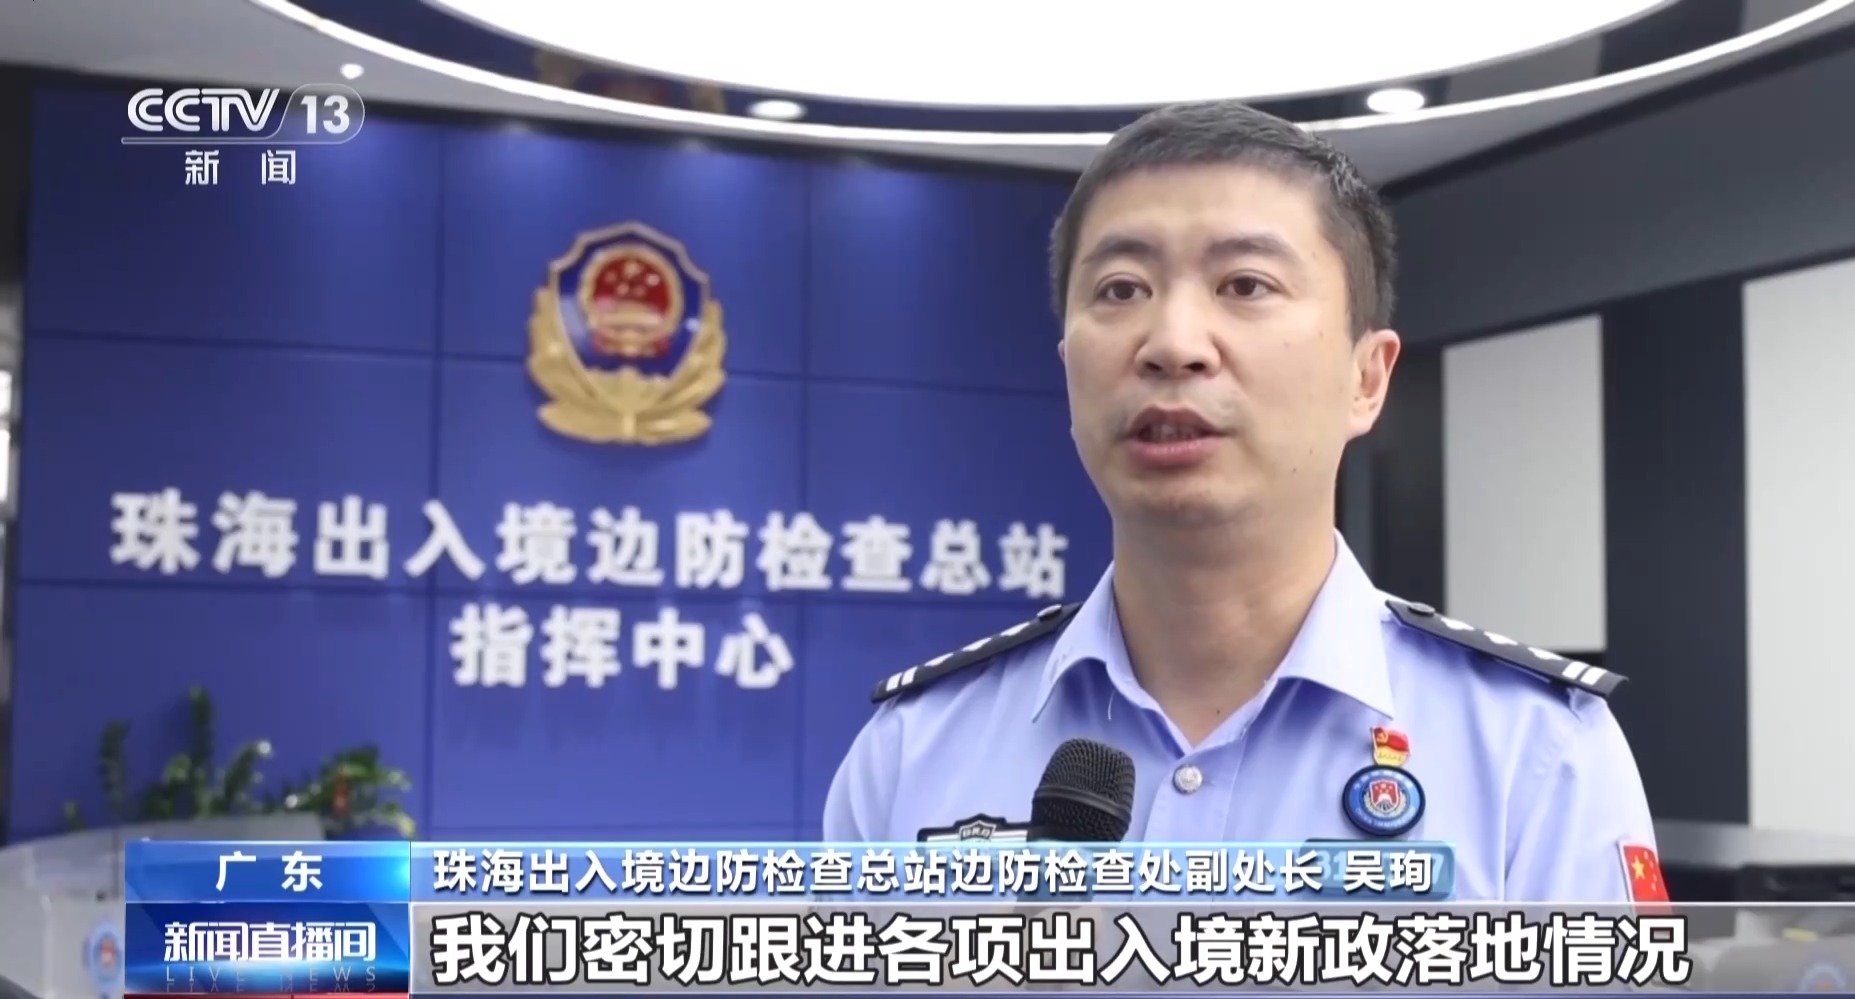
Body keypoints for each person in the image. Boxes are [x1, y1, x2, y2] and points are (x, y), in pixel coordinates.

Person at [823, 99, 1661, 903]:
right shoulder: (911, 754)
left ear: (1366, 378)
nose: (1172, 344)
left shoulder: (1536, 753)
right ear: (1067, 365)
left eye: (1246, 284)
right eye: (1120, 289)